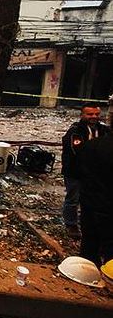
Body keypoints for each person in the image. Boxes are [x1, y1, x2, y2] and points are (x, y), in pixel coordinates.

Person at [61, 102, 110, 237]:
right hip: (75, 173)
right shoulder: (75, 131)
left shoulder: (104, 131)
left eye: (96, 114)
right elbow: (76, 151)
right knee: (73, 198)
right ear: (82, 115)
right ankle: (71, 224)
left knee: (93, 199)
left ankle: (89, 224)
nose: (94, 117)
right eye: (90, 114)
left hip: (96, 175)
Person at [75, 115, 113, 266]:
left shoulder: (92, 146)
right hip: (107, 209)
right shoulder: (78, 133)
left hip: (91, 205)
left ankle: (86, 276)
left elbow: (80, 172)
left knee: (89, 247)